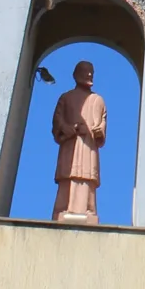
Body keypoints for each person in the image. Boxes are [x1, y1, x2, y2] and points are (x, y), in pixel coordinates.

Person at [51, 60, 107, 223]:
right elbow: (58, 120)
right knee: (68, 174)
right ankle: (63, 208)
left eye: (91, 72)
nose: (89, 75)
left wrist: (99, 130)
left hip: (88, 147)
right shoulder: (66, 98)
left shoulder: (98, 100)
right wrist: (70, 128)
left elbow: (102, 121)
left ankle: (88, 209)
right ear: (76, 75)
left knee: (87, 177)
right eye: (85, 71)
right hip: (71, 145)